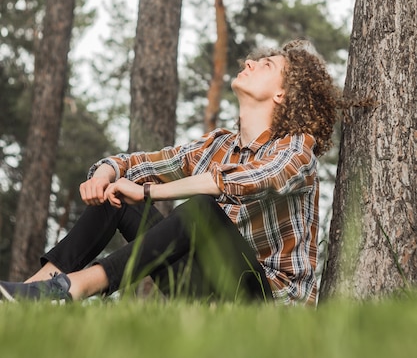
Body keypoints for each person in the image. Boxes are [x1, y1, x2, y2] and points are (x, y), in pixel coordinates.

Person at [0, 39, 339, 306]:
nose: (249, 62)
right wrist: (104, 173)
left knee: (204, 209)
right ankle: (31, 294)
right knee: (115, 196)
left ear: (283, 93)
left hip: (267, 308)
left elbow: (242, 181)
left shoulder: (297, 149)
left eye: (265, 65)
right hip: (204, 288)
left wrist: (148, 192)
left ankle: (71, 290)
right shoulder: (217, 145)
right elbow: (136, 164)